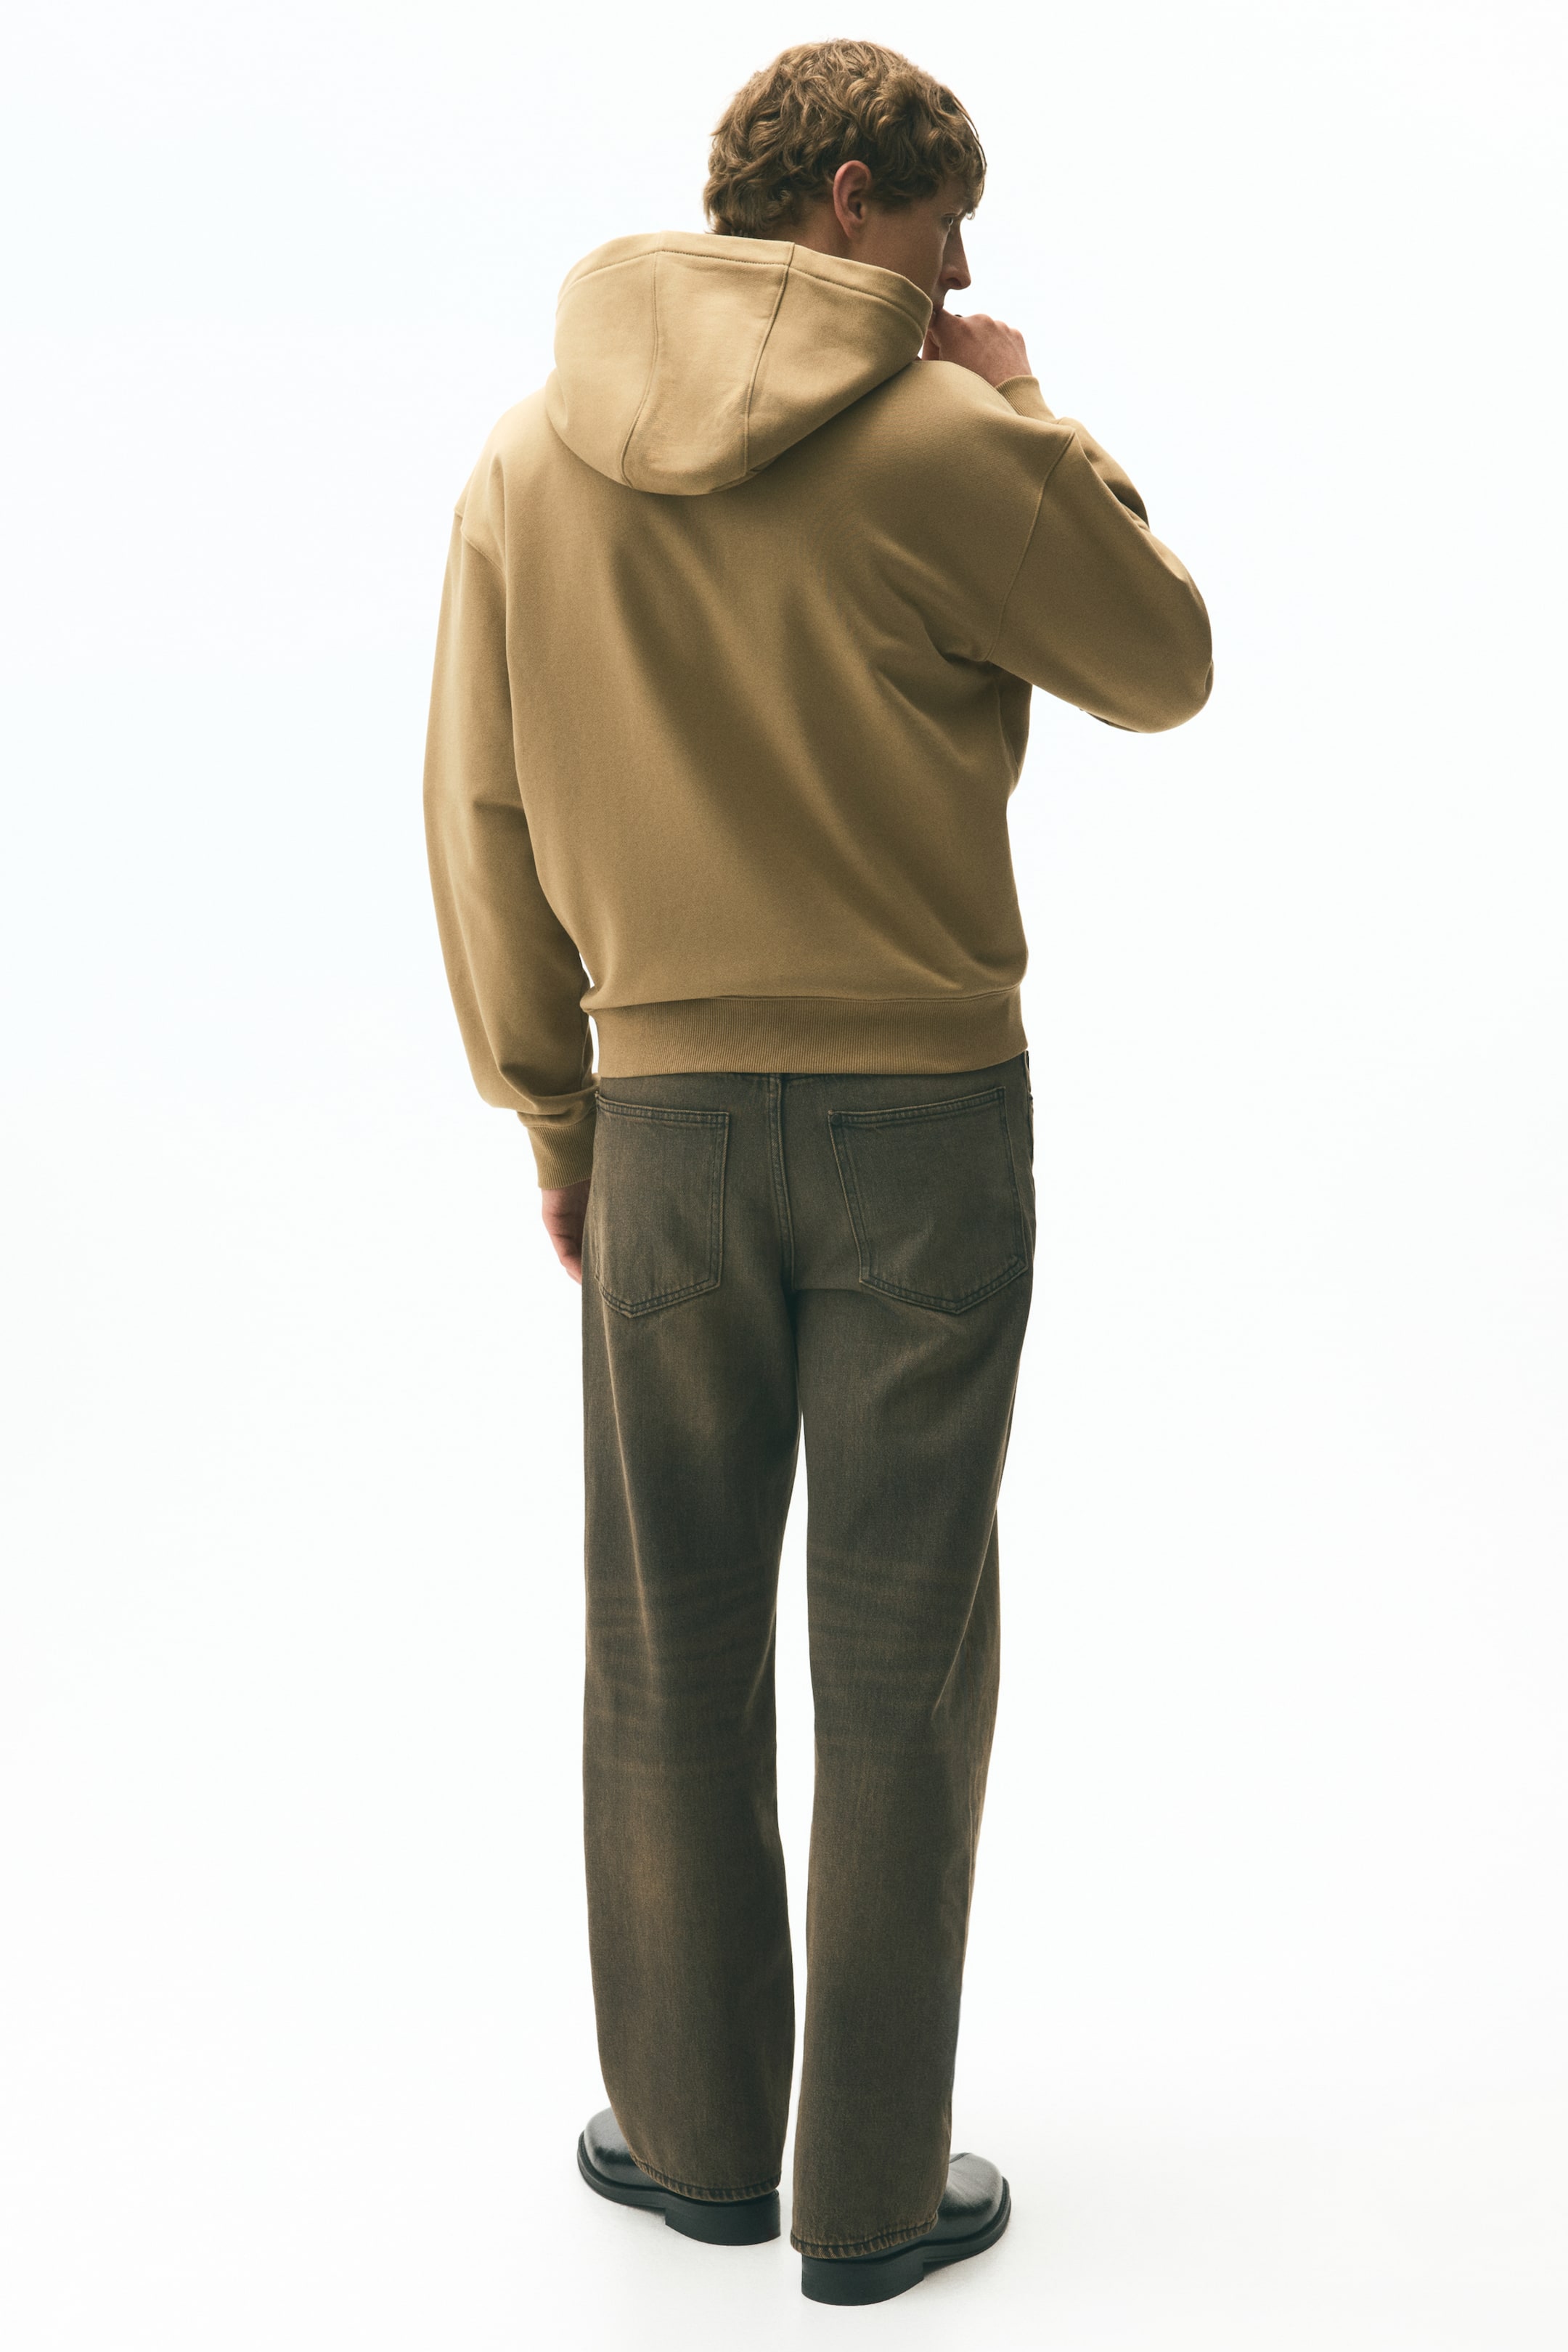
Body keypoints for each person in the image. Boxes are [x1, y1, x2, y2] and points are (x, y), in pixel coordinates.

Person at [422, 37, 1211, 2306]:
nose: (964, 278)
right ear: (856, 195)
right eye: (949, 228)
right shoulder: (959, 440)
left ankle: (692, 2146)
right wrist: (1036, 408)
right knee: (900, 1655)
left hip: (663, 1127)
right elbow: (1167, 661)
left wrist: (555, 1111)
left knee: (664, 1641)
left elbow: (477, 809)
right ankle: (866, 2200)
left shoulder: (527, 458)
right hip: (924, 1130)